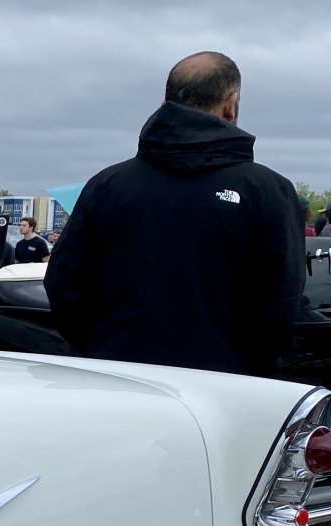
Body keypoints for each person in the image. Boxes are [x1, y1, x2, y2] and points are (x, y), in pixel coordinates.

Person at [43, 51, 304, 376]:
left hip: (117, 377)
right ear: (231, 103)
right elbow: (282, 301)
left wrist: (101, 347)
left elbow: (63, 283)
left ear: (166, 103)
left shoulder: (106, 186)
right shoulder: (268, 191)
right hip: (226, 384)